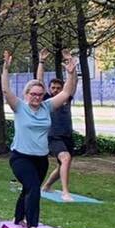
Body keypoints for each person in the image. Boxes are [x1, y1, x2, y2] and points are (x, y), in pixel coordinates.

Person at [0, 50, 79, 228]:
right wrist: (6, 68)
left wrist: (71, 73)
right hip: (20, 157)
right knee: (34, 188)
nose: (36, 97)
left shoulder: (47, 106)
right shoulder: (19, 107)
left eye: (39, 94)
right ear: (26, 94)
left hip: (41, 159)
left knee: (29, 188)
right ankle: (33, 226)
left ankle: (18, 218)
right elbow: (5, 90)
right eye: (33, 94)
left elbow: (67, 92)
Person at [34, 52, 78, 201]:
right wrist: (41, 62)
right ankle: (66, 192)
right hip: (53, 136)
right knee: (65, 159)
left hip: (67, 136)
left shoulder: (66, 98)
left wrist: (70, 64)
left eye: (58, 88)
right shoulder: (46, 100)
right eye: (53, 88)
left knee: (63, 165)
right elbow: (39, 81)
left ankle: (46, 186)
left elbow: (73, 83)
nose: (55, 90)